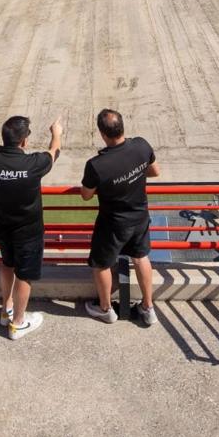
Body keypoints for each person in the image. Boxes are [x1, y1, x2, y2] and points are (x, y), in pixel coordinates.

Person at [0, 115, 63, 339]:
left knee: (7, 263)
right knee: (24, 275)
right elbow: (54, 152)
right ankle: (18, 323)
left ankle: (6, 310)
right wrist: (57, 133)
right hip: (28, 231)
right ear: (24, 141)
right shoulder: (34, 163)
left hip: (0, 225)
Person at [80, 109, 160, 326]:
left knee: (101, 264)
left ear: (102, 133)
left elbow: (86, 195)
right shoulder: (142, 145)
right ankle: (148, 307)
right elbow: (154, 171)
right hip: (140, 216)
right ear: (122, 126)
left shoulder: (97, 164)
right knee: (141, 256)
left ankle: (105, 309)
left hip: (112, 223)